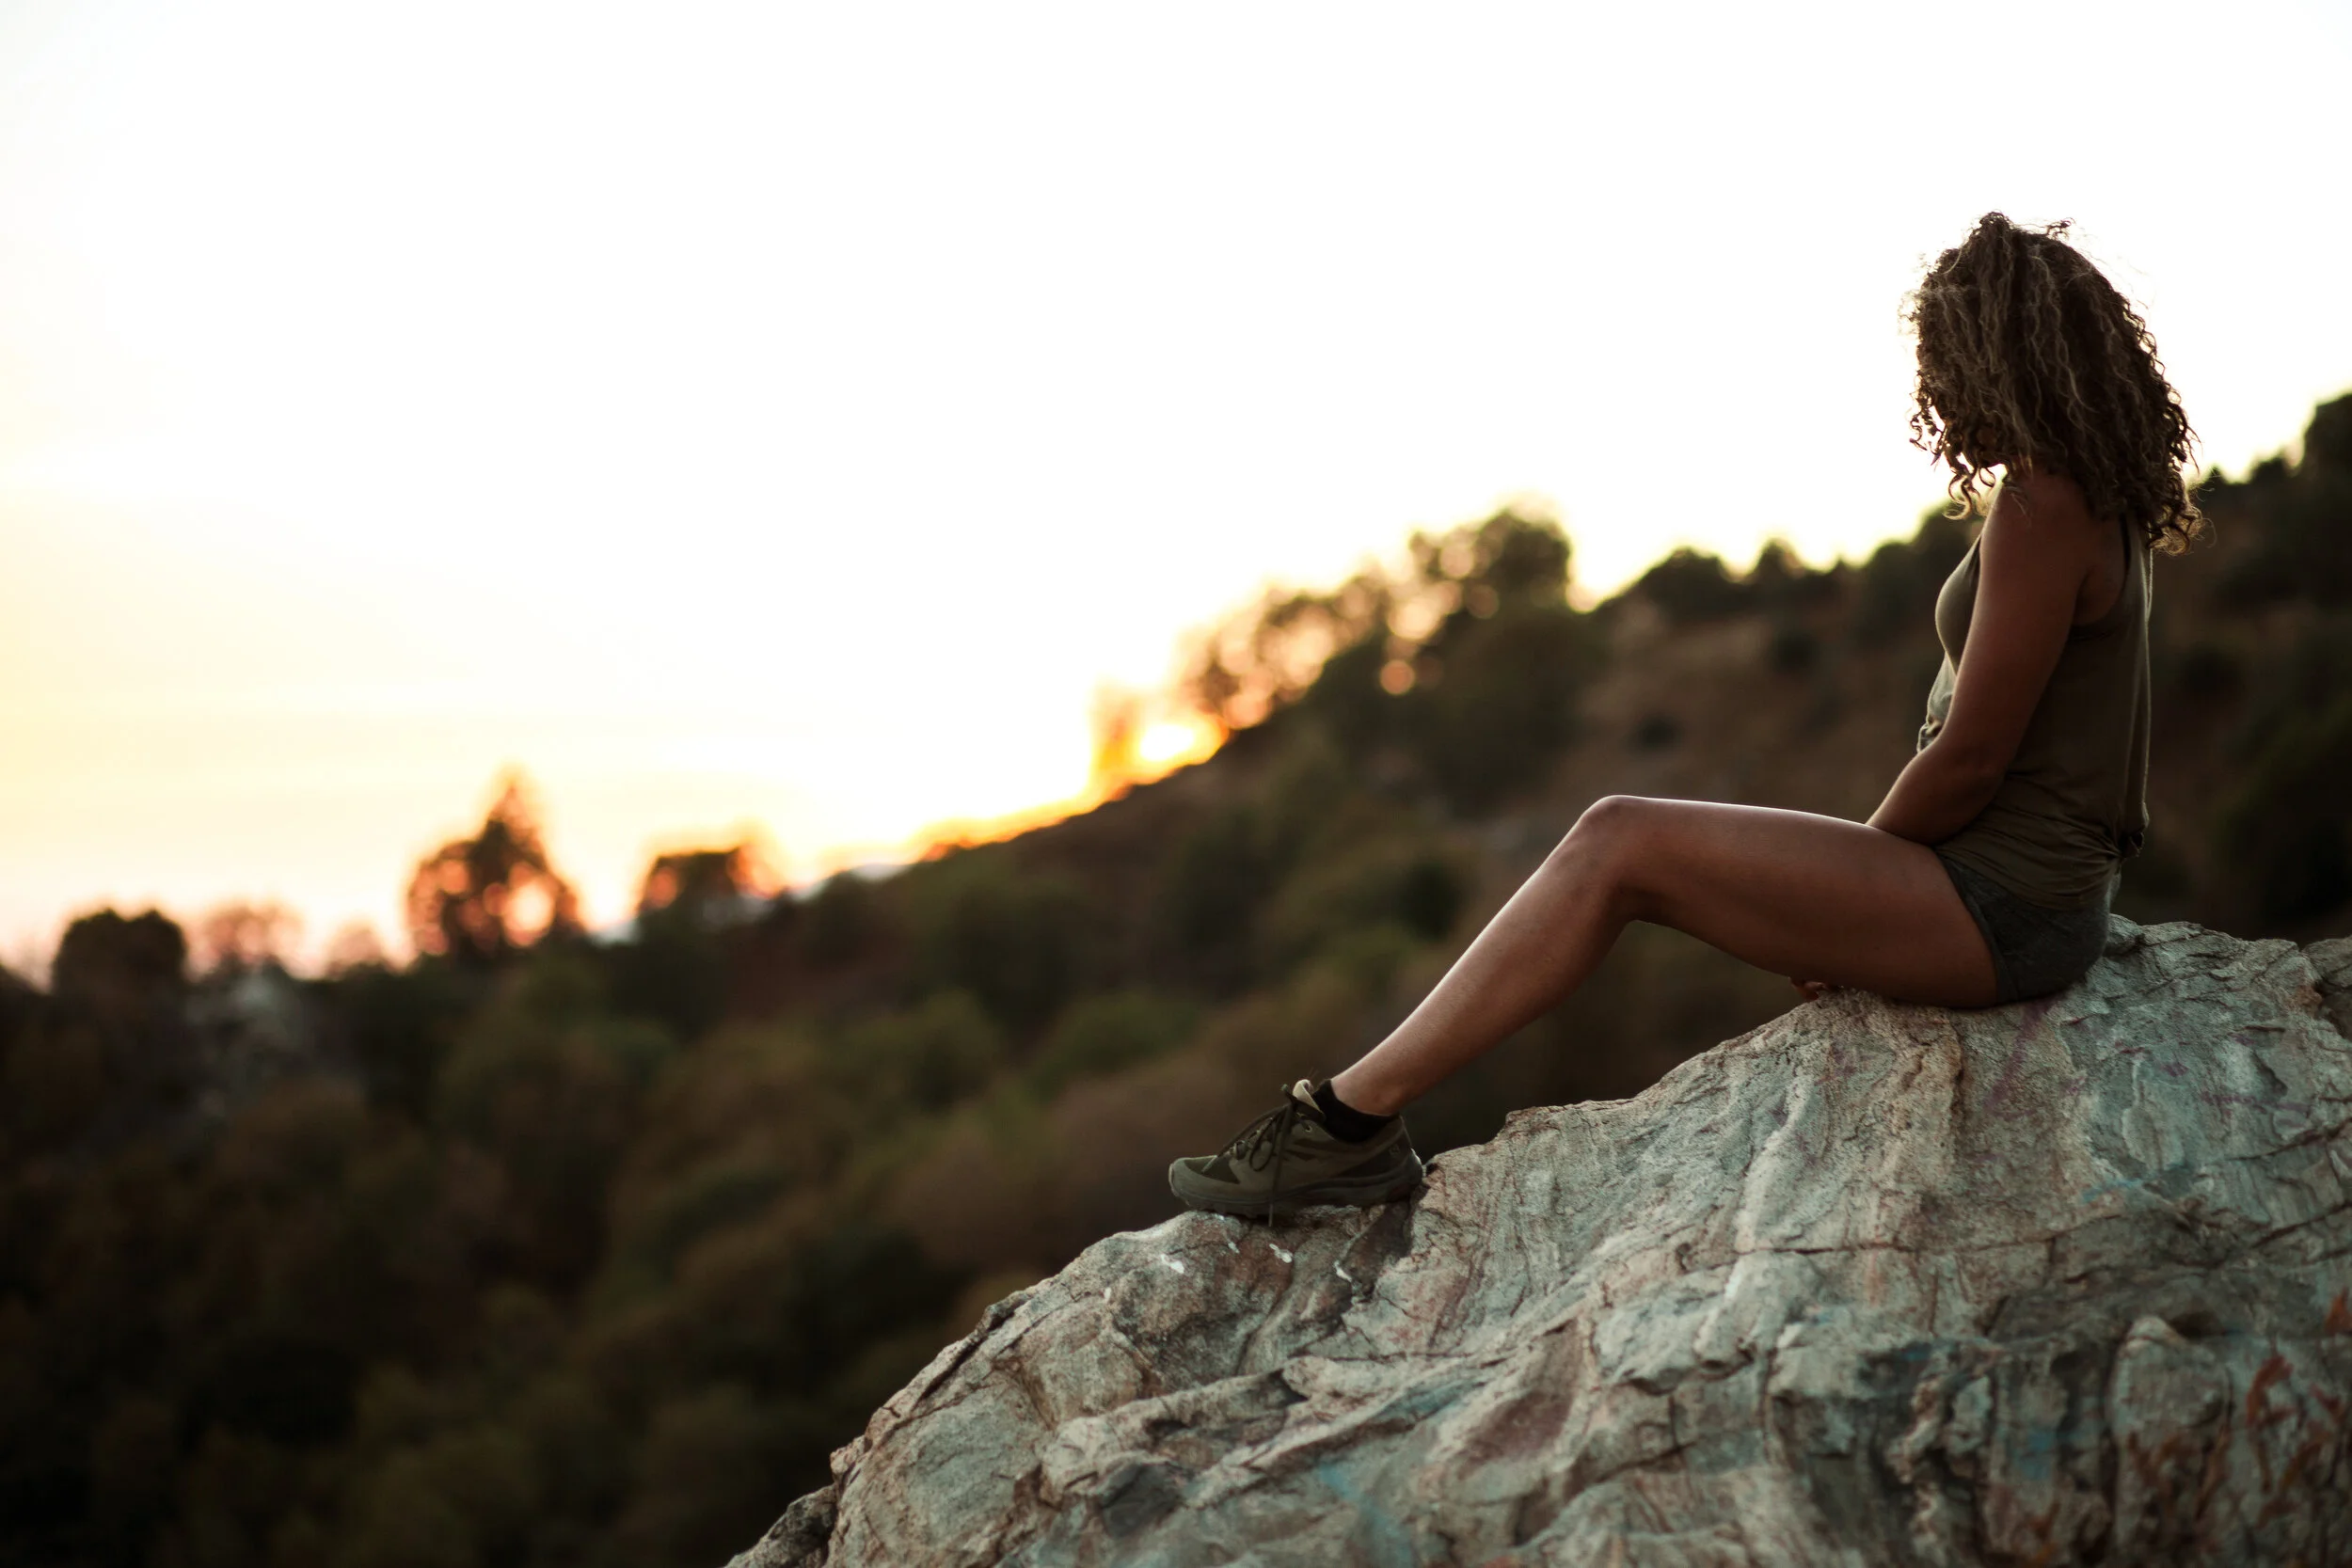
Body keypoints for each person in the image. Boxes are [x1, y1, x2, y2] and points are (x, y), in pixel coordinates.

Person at [1168, 213, 2201, 1219]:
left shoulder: (2043, 505)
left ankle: (1344, 1125)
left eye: (1947, 360)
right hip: (2023, 897)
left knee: (1616, 839)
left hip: (2000, 904)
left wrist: (1850, 893)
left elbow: (1972, 758)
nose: (1938, 392)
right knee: (1623, 843)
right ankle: (1351, 1118)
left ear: (1994, 354)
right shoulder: (2093, 500)